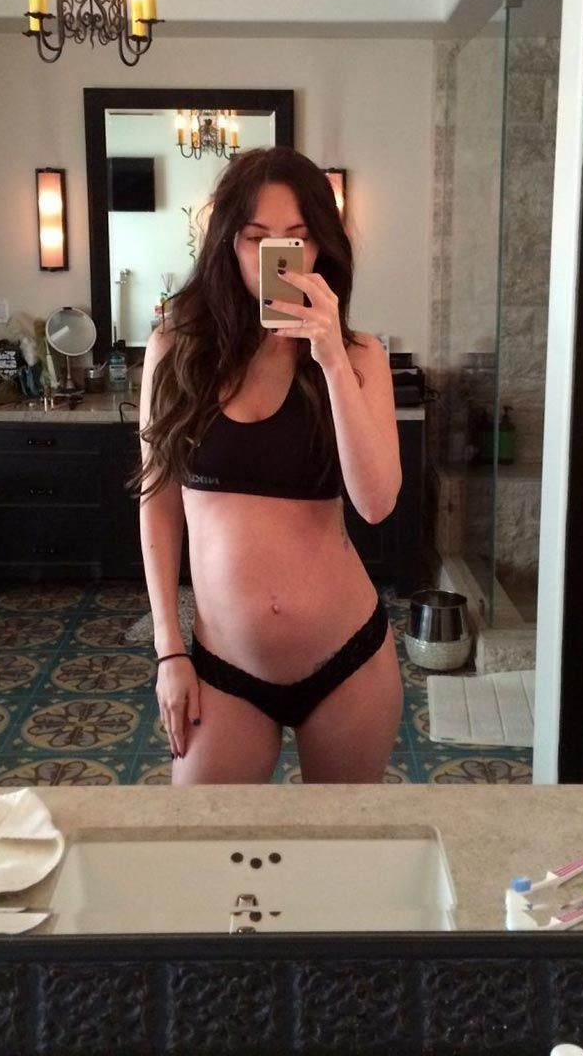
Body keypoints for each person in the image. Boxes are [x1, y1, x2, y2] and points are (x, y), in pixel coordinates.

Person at [136, 146, 403, 784]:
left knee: (339, 841)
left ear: (320, 247)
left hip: (348, 661)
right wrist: (169, 650)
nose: (277, 257)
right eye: (257, 238)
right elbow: (159, 506)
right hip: (223, 670)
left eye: (297, 238)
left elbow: (375, 504)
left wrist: (330, 358)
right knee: (205, 836)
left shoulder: (360, 355)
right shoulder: (175, 351)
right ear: (229, 243)